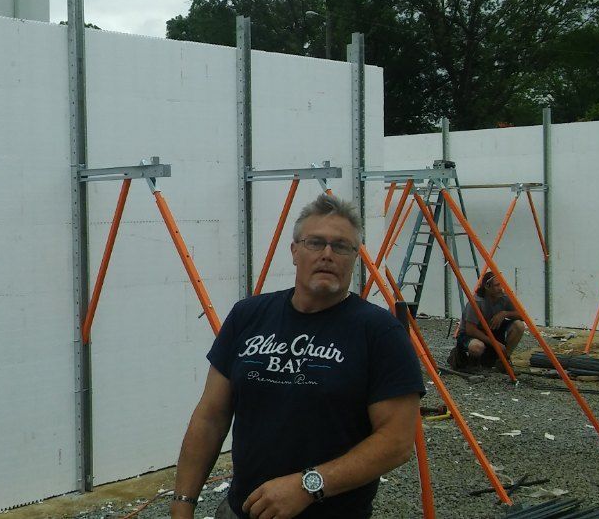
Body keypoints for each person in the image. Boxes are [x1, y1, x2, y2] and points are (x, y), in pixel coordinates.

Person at [170, 194, 426, 519]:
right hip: (241, 511)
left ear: (355, 257)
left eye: (342, 246)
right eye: (315, 243)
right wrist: (182, 502)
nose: (327, 254)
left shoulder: (379, 333)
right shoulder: (247, 316)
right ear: (294, 251)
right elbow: (210, 416)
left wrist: (309, 485)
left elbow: (397, 440)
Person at [448, 270, 526, 371]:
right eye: (497, 285)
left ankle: (503, 361)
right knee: (477, 347)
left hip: (492, 330)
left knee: (518, 326)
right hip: (472, 335)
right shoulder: (476, 302)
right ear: (487, 287)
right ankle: (468, 360)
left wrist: (504, 314)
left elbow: (522, 315)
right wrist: (495, 343)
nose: (500, 288)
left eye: (501, 285)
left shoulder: (504, 297)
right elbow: (470, 330)